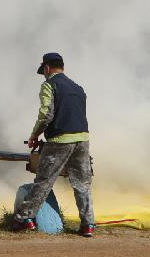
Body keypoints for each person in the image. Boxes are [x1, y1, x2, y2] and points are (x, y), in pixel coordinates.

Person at [13, 52, 95, 237]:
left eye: (44, 71)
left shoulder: (49, 85)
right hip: (82, 139)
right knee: (82, 184)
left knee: (43, 181)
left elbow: (46, 115)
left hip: (59, 140)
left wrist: (35, 135)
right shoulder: (78, 88)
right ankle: (88, 225)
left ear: (47, 68)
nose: (44, 75)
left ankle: (24, 219)